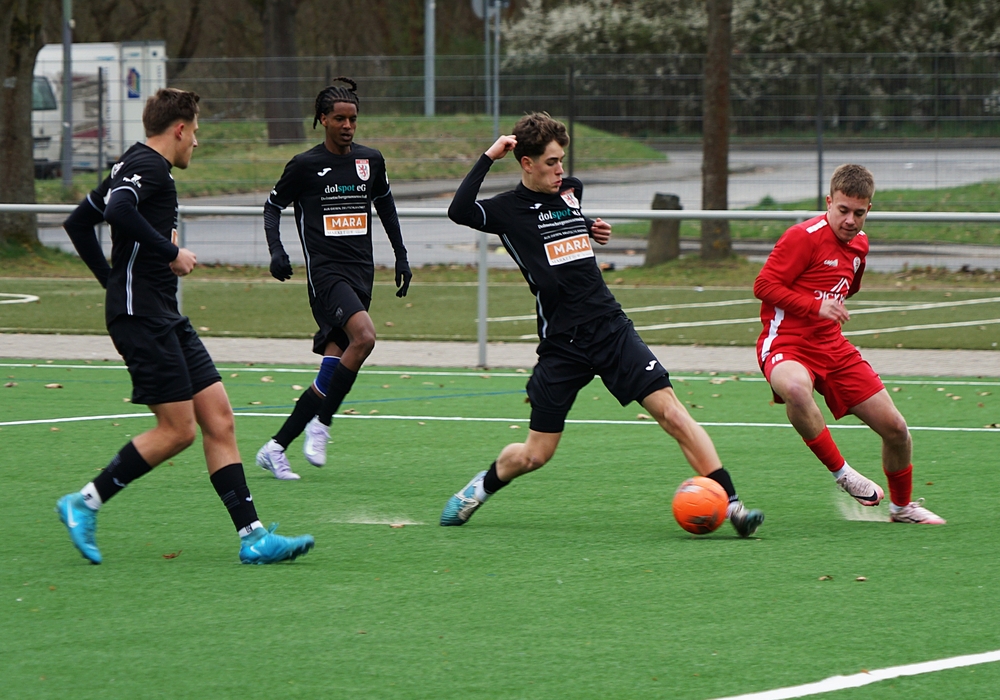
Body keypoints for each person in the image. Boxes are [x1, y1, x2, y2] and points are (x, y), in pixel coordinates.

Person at [439, 112, 765, 536]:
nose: (560, 170)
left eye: (562, 160)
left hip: (611, 327)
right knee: (536, 455)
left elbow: (567, 222)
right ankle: (480, 488)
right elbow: (459, 210)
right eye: (551, 162)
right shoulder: (506, 210)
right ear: (527, 164)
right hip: (563, 343)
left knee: (672, 413)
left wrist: (589, 227)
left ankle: (734, 506)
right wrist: (489, 155)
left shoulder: (570, 192)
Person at [58, 88, 315, 564]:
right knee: (177, 431)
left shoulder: (132, 164)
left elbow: (79, 223)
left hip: (161, 313)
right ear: (179, 129)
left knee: (219, 418)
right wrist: (170, 252)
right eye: (194, 131)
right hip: (141, 317)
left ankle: (254, 537)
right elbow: (116, 212)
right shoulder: (150, 166)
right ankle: (84, 502)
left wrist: (112, 281)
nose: (196, 142)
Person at [754, 164, 944, 524]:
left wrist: (829, 304)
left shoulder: (860, 244)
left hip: (833, 347)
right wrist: (815, 305)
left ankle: (902, 508)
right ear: (829, 202)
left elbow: (849, 286)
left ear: (868, 209)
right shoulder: (802, 237)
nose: (850, 220)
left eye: (859, 213)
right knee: (795, 389)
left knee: (896, 429)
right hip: (786, 343)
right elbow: (763, 286)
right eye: (843, 210)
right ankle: (843, 474)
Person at [255, 78, 411, 481]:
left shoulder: (370, 160)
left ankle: (275, 448)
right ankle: (322, 424)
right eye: (339, 118)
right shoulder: (305, 165)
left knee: (333, 369)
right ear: (322, 119)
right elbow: (272, 207)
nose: (347, 126)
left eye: (353, 119)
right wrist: (276, 250)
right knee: (365, 338)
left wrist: (401, 254)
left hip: (361, 272)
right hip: (326, 274)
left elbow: (386, 206)